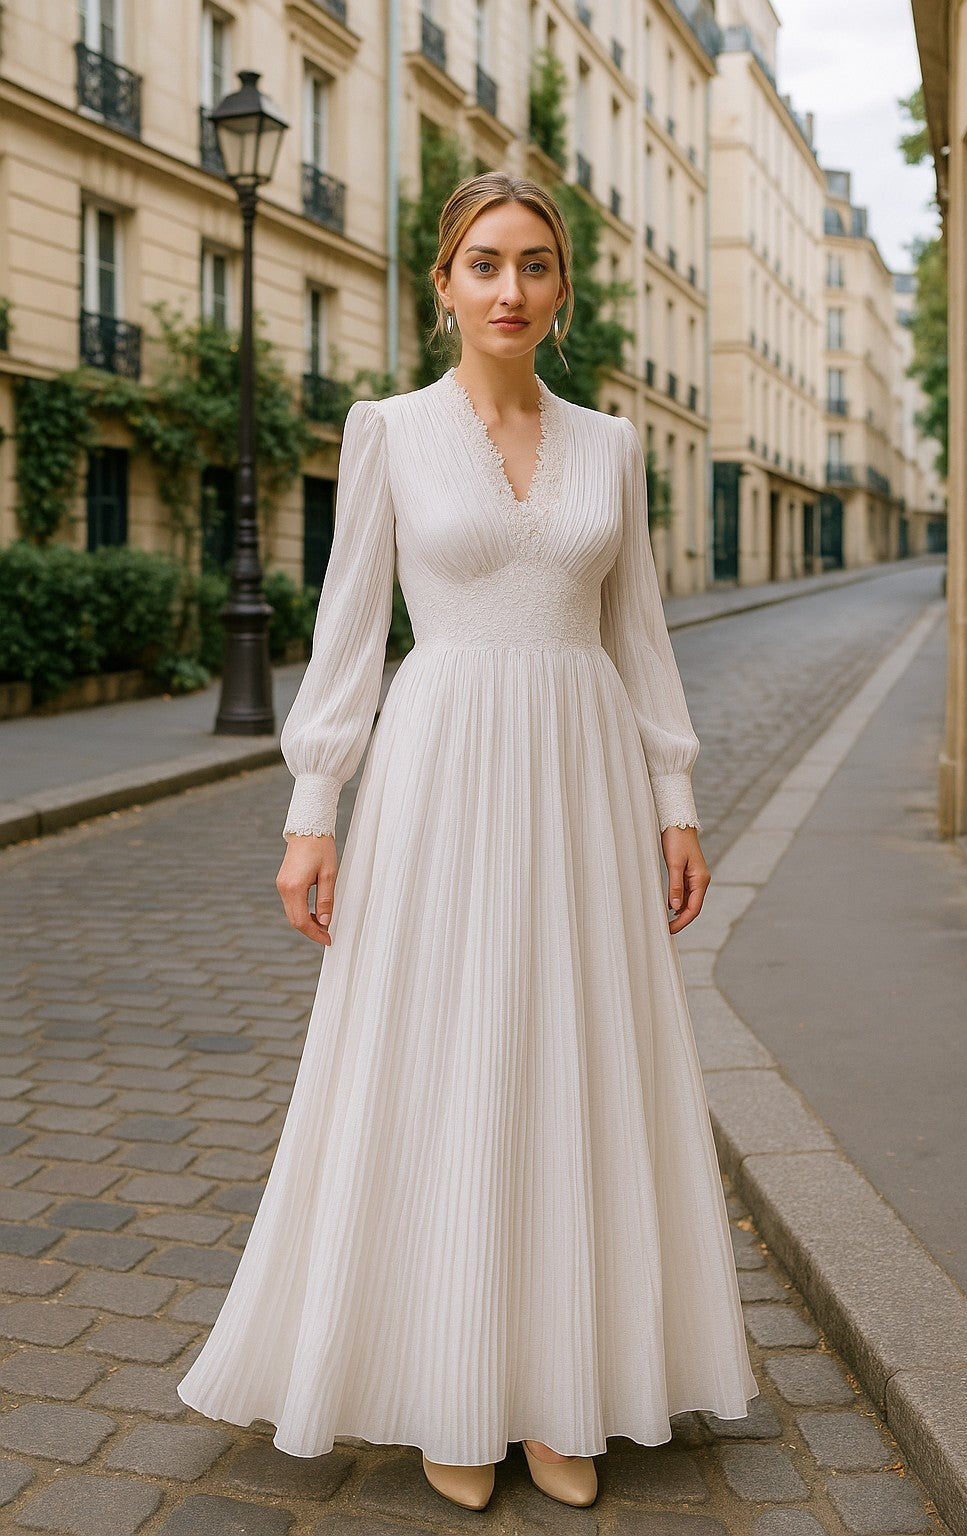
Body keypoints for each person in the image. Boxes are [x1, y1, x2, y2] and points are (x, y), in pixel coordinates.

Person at [177, 170, 759, 1512]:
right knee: (442, 1057)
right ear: (442, 282)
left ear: (560, 291)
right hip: (438, 774)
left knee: (574, 1060)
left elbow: (641, 644)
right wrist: (312, 812)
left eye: (535, 266)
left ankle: (561, 1394)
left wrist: (677, 800)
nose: (510, 288)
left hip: (583, 775)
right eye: (485, 263)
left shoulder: (611, 448)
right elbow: (347, 633)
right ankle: (452, 1386)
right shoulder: (386, 430)